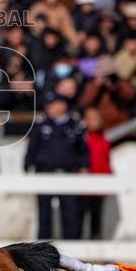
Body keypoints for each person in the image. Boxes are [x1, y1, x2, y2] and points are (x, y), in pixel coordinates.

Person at [24, 95, 89, 240]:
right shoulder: (41, 124)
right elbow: (32, 147)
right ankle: (43, 247)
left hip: (69, 175)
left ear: (63, 105)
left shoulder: (75, 125)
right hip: (45, 173)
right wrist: (27, 165)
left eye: (53, 104)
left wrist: (84, 166)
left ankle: (72, 246)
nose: (49, 107)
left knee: (70, 212)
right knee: (44, 213)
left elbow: (83, 150)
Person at [82, 107, 111, 239]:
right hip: (82, 188)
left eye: (98, 118)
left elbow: (106, 162)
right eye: (93, 118)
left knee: (97, 220)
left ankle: (96, 246)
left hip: (99, 188)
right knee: (80, 220)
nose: (97, 121)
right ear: (85, 121)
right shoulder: (81, 139)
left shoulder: (104, 140)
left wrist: (108, 179)